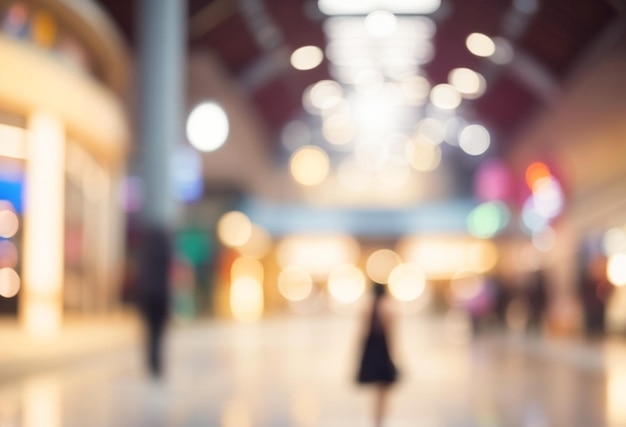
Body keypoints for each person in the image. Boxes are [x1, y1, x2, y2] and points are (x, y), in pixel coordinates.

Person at [356, 282, 398, 427]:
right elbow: (392, 334)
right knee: (383, 391)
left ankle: (375, 419)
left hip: (370, 350)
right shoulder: (388, 307)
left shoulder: (366, 307)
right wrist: (395, 355)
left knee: (374, 390)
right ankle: (380, 420)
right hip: (383, 351)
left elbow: (361, 333)